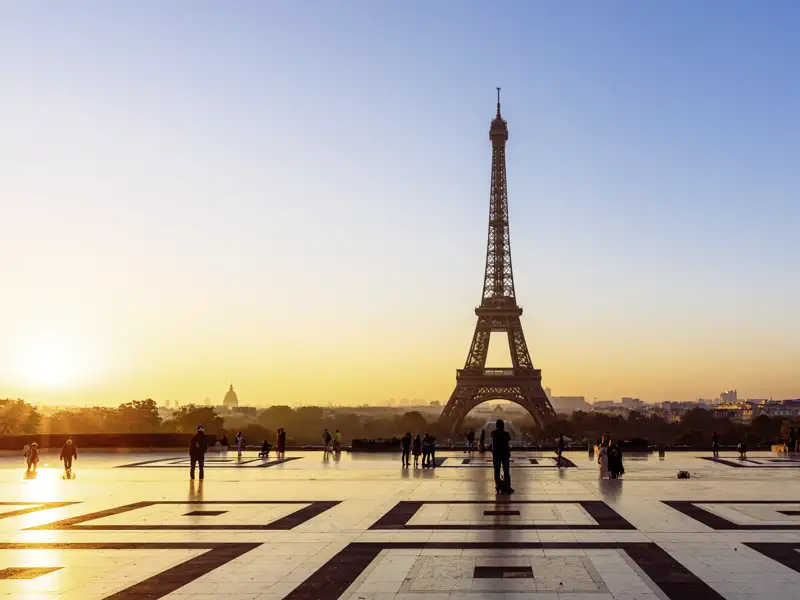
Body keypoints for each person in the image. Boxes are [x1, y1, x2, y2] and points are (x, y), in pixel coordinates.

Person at [491, 420, 513, 493]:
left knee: (496, 471)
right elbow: (507, 442)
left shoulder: (493, 433)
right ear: (503, 425)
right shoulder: (506, 434)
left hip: (496, 455)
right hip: (504, 455)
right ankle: (507, 486)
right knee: (506, 471)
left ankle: (498, 485)